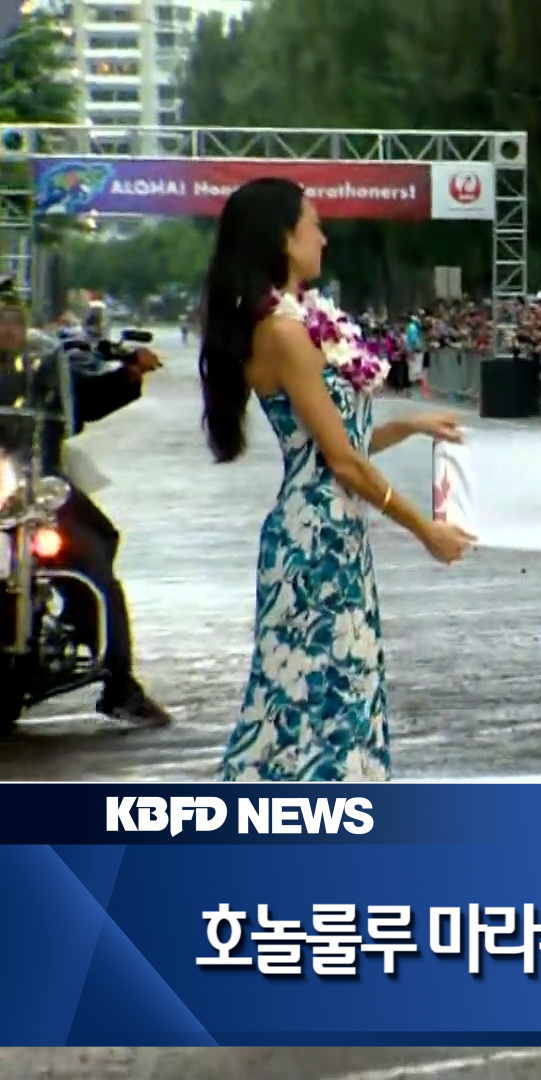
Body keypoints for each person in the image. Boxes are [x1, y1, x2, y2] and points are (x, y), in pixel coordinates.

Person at [198, 178, 477, 781]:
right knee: (313, 697)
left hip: (331, 532)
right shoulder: (282, 333)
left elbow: (336, 444)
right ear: (283, 238)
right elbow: (341, 462)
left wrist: (409, 426)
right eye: (314, 225)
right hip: (314, 539)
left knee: (331, 689)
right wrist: (424, 529)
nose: (323, 238)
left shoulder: (295, 324)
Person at [0, 279, 173, 726]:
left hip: (33, 490)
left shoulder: (42, 365)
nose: (7, 328)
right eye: (0, 320)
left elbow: (81, 397)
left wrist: (126, 375)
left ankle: (119, 683)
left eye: (14, 319)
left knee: (95, 550)